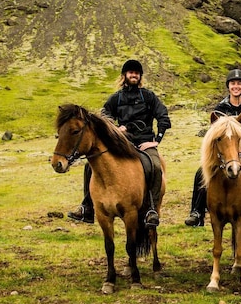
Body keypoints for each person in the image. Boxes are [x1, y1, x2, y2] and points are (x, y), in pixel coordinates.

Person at [68, 59, 171, 227]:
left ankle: (151, 209)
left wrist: (155, 141)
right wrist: (115, 129)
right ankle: (87, 207)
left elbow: (163, 117)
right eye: (131, 72)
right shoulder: (116, 98)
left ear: (140, 76)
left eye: (137, 73)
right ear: (124, 75)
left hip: (144, 142)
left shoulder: (148, 96)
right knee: (89, 165)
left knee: (156, 166)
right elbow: (103, 118)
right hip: (122, 143)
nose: (134, 75)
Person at [184, 69, 241, 233]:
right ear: (228, 86)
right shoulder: (221, 108)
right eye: (233, 83)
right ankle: (197, 212)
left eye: (239, 83)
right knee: (200, 174)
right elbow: (214, 132)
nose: (236, 86)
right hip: (224, 154)